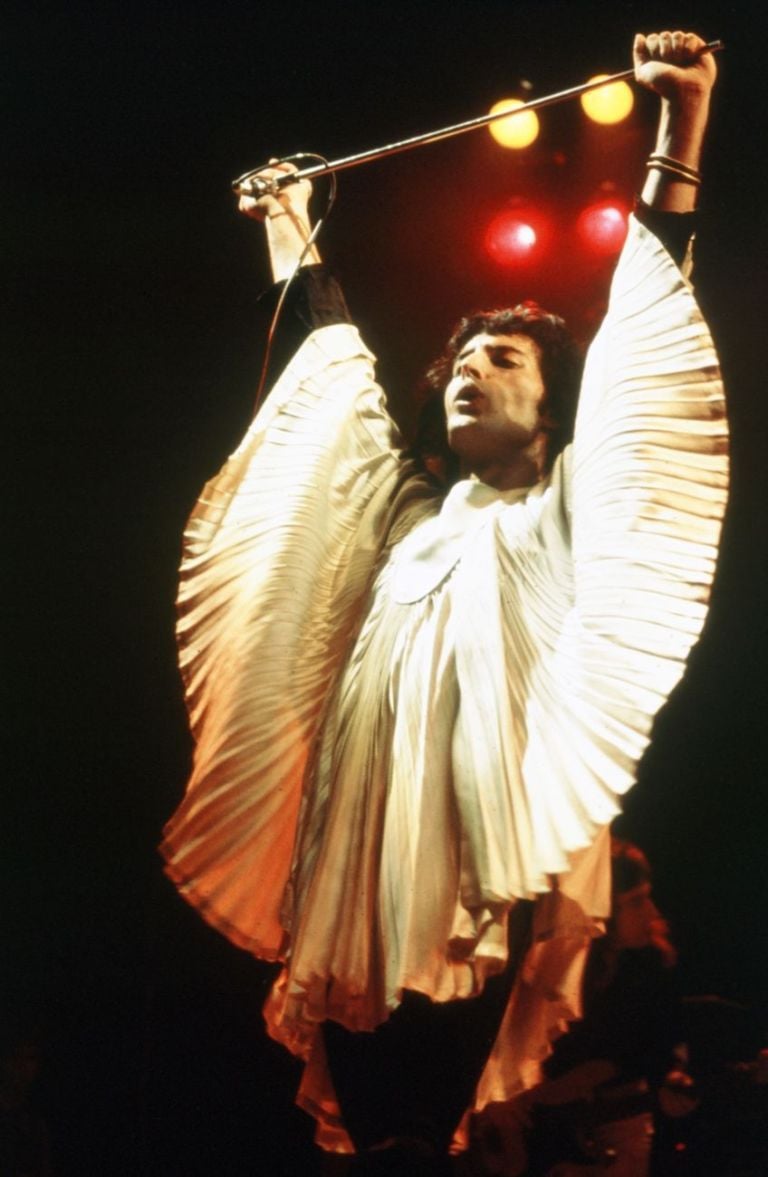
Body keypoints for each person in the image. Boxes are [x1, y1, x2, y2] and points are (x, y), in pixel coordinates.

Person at [161, 31, 727, 1174]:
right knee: (380, 1107)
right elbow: (332, 373)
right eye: (465, 362)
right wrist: (289, 218)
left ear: (557, 411)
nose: (473, 371)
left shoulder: (567, 502)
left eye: (507, 362)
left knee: (462, 1111)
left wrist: (681, 122)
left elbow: (640, 333)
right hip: (362, 853)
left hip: (486, 859)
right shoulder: (403, 513)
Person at [469, 839, 684, 1177]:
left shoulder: (649, 966)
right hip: (541, 1131)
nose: (653, 913)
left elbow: (637, 1056)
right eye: (636, 902)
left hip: (610, 1127)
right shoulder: (557, 965)